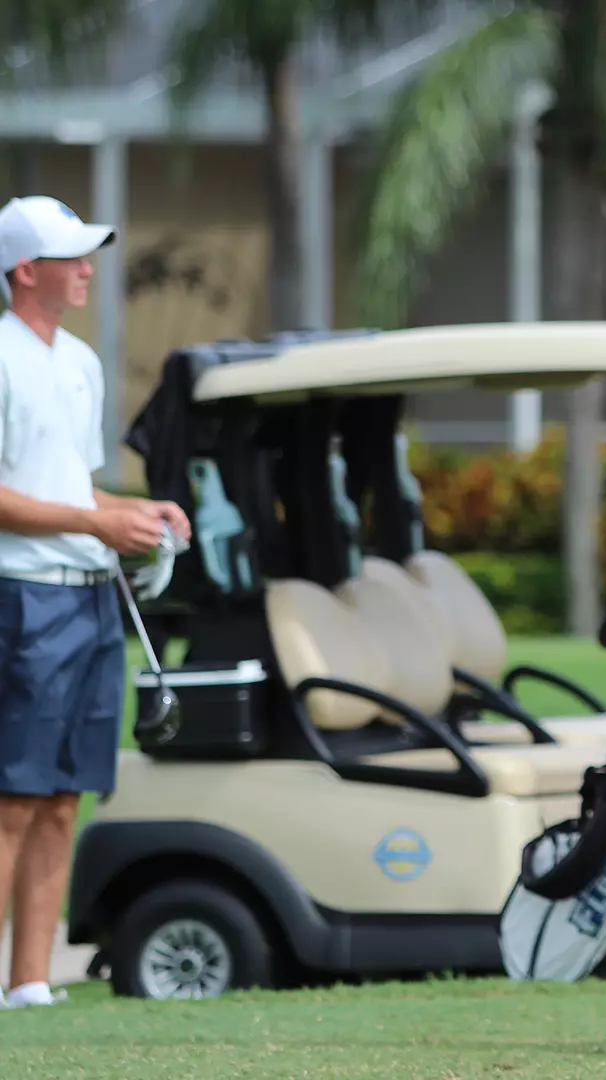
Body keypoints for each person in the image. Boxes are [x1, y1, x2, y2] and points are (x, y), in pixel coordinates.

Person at [0, 195, 190, 1008]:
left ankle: (30, 983)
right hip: (24, 598)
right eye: (71, 257)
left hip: (89, 599)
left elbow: (74, 483)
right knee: (13, 797)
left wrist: (140, 513)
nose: (86, 270)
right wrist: (96, 520)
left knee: (63, 794)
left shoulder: (78, 361)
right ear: (24, 270)